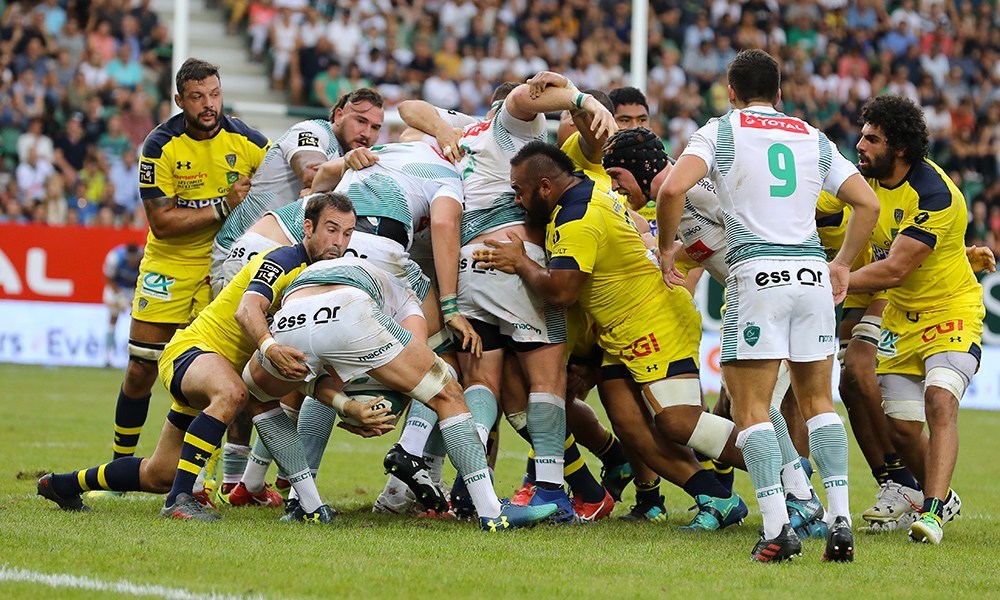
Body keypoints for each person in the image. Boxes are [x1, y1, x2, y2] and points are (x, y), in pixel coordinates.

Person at [655, 49, 880, 562]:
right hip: (810, 275)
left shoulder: (721, 130)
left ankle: (779, 530)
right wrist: (841, 263)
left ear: (731, 91)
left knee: (753, 408)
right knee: (819, 402)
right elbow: (867, 202)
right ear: (780, 94)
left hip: (757, 273)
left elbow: (672, 188)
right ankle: (839, 518)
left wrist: (667, 246)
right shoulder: (810, 135)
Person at [37, 193, 367, 522]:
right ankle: (180, 500)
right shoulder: (282, 260)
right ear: (308, 228)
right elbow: (246, 309)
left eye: (347, 233)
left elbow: (310, 373)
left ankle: (63, 484)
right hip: (191, 352)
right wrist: (269, 347)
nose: (339, 241)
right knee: (233, 393)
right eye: (331, 229)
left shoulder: (326, 286)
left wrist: (346, 406)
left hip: (210, 371)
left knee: (159, 474)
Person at [476, 141, 750, 533]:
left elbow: (563, 292)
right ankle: (717, 497)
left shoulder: (578, 217)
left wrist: (520, 262)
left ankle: (792, 480)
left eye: (519, 191)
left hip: (654, 321)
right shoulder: (583, 190)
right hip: (617, 331)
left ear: (544, 187)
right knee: (629, 424)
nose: (516, 200)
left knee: (678, 423)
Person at [393, 77, 617, 522]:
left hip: (466, 267)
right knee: (546, 381)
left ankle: (469, 493)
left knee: (482, 384)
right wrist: (580, 99)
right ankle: (552, 491)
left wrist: (440, 127)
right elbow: (524, 98)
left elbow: (408, 107)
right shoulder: (517, 128)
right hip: (513, 259)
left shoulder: (468, 130)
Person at [241, 255, 560, 531]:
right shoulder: (412, 282)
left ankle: (306, 505)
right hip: (351, 308)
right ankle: (491, 512)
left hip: (291, 315)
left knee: (258, 398)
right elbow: (416, 367)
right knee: (446, 389)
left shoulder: (314, 259)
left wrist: (347, 405)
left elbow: (315, 371)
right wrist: (385, 407)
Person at [208, 88, 384, 503]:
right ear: (337, 114)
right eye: (360, 121)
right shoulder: (311, 131)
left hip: (283, 260)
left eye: (376, 127)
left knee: (281, 368)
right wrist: (343, 162)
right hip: (244, 256)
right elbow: (311, 174)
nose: (367, 133)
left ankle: (244, 482)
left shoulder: (352, 168)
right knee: (243, 369)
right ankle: (227, 480)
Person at [101, 58, 267, 482]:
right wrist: (224, 206)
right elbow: (162, 222)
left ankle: (214, 479)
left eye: (214, 94)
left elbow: (282, 185)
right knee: (141, 368)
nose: (208, 104)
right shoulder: (160, 146)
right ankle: (120, 471)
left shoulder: (248, 141)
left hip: (225, 266)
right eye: (197, 97)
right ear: (179, 100)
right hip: (169, 263)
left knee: (222, 375)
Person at [848, 94, 985, 545]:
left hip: (952, 311)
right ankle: (942, 495)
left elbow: (894, 268)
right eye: (863, 134)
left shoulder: (934, 193)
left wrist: (831, 278)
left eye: (872, 138)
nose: (861, 144)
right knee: (904, 429)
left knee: (940, 399)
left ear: (900, 149)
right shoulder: (860, 184)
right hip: (901, 320)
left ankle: (931, 512)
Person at [103, 243, 143, 367]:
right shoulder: (115, 258)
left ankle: (139, 355)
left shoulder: (145, 257)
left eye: (134, 260)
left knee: (141, 318)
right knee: (113, 317)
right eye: (130, 260)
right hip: (117, 288)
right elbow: (108, 278)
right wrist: (120, 297)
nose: (132, 263)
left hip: (134, 289)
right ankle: (107, 355)